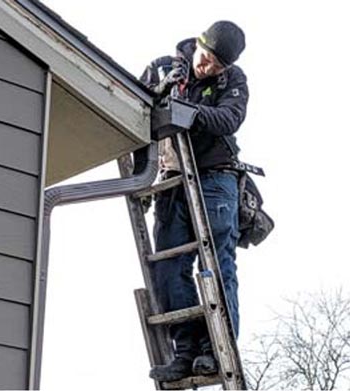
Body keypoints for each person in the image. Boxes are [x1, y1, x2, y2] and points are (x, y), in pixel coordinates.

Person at [139, 20, 249, 382]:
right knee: (169, 268)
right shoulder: (162, 69)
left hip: (216, 177)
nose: (209, 68)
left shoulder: (233, 82)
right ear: (197, 46)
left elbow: (229, 118)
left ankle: (215, 349)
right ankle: (185, 351)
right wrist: (140, 178)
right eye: (206, 59)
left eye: (218, 66)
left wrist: (189, 114)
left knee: (217, 264)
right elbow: (136, 116)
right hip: (172, 178)